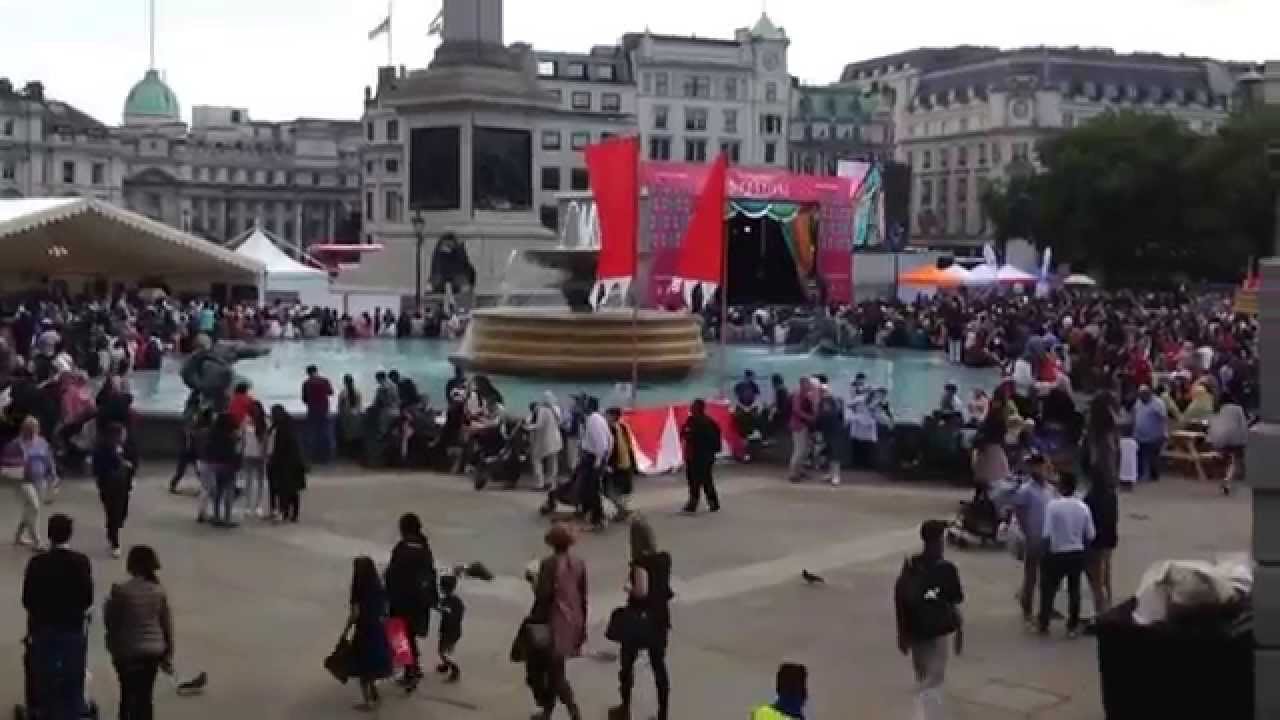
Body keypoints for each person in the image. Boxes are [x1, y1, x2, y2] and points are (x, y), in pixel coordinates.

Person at [22, 513, 93, 720]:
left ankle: (42, 708)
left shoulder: (37, 562)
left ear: (49, 535)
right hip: (72, 627)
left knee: (41, 672)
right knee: (73, 672)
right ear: (69, 535)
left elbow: (27, 598)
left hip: (44, 628)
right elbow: (87, 597)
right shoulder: (80, 562)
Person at [894, 520, 963, 720]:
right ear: (937, 541)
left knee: (923, 676)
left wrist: (902, 633)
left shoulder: (911, 566)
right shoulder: (946, 569)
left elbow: (900, 599)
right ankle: (924, 714)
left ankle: (924, 712)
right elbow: (956, 598)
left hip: (916, 632)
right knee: (934, 680)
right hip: (938, 632)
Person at [609, 516, 672, 720]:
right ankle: (663, 712)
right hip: (660, 619)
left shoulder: (640, 563)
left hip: (639, 620)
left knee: (627, 665)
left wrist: (629, 587)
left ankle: (624, 707)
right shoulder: (664, 559)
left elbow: (642, 591)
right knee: (659, 666)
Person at [104, 545, 174, 720]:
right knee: (145, 697)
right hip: (152, 652)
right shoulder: (159, 591)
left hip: (127, 652)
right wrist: (167, 655)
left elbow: (112, 623)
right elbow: (166, 625)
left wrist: (112, 648)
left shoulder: (120, 591)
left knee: (127, 695)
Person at [993, 452, 1056, 628]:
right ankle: (1027, 607)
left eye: (1042, 466)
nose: (1041, 469)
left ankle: (1045, 608)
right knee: (1031, 575)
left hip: (1048, 537)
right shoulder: (1026, 490)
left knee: (1047, 576)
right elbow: (1018, 512)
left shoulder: (1050, 490)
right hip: (1034, 536)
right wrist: (1026, 531)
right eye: (1036, 466)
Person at [531, 523, 587, 720]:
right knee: (555, 668)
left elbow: (543, 595)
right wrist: (582, 628)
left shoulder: (549, 564)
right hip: (573, 620)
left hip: (553, 622)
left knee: (552, 672)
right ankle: (548, 712)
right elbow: (583, 596)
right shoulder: (579, 563)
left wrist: (533, 580)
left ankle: (573, 711)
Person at [384, 512, 437, 692]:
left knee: (400, 636)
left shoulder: (402, 548)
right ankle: (413, 667)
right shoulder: (424, 547)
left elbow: (392, 574)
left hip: (401, 600)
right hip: (419, 602)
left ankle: (410, 671)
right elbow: (430, 574)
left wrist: (387, 594)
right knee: (411, 634)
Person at [1039, 472, 1095, 638]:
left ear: (1061, 487)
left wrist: (1044, 555)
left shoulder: (1052, 506)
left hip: (1057, 552)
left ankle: (1044, 622)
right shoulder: (1082, 507)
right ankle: (1072, 625)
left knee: (1048, 589)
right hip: (1076, 553)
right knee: (1074, 590)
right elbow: (1090, 534)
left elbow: (1046, 534)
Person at [345, 556, 393, 711]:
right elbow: (386, 609)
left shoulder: (357, 589)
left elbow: (354, 614)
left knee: (363, 668)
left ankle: (368, 702)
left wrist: (346, 631)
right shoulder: (378, 587)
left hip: (364, 631)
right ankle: (375, 694)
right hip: (378, 630)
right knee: (373, 665)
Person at [4, 416, 56, 550]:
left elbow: (49, 460)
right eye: (29, 429)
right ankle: (37, 541)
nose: (32, 432)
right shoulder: (15, 445)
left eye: (35, 428)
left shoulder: (42, 443)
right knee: (34, 507)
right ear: (24, 429)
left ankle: (18, 536)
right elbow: (6, 463)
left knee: (29, 509)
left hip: (39, 480)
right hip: (21, 481)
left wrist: (53, 477)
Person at [92, 423, 135, 556]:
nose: (124, 436)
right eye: (122, 434)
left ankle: (113, 529)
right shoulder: (102, 449)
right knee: (113, 513)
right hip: (108, 485)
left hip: (123, 485)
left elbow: (134, 461)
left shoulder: (126, 448)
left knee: (122, 513)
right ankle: (114, 541)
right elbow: (97, 468)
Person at [1083, 477, 1118, 623]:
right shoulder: (1112, 495)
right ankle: (1109, 603)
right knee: (1106, 574)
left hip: (1096, 541)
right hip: (1109, 540)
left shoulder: (1089, 498)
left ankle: (1101, 611)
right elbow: (1115, 517)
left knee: (1096, 579)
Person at [267, 404, 307, 523]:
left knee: (283, 489)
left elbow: (279, 447)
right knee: (292, 490)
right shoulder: (290, 426)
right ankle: (293, 514)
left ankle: (284, 512)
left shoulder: (280, 429)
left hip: (284, 463)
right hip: (293, 462)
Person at [681, 398, 722, 514]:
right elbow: (683, 432)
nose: (691, 409)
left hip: (703, 456)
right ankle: (693, 502)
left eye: (693, 407)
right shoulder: (691, 420)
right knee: (693, 480)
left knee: (705, 480)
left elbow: (713, 440)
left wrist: (710, 452)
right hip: (692, 455)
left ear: (698, 409)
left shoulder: (707, 423)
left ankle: (713, 503)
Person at [577, 397, 612, 530]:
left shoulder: (593, 420)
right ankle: (592, 516)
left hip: (593, 458)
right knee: (589, 488)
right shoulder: (598, 419)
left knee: (592, 490)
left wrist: (598, 461)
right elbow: (610, 439)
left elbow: (602, 443)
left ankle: (597, 520)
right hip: (594, 457)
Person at [202, 413, 241, 528]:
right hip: (228, 466)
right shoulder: (232, 436)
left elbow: (207, 450)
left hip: (214, 465)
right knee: (229, 492)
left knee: (217, 493)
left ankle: (216, 516)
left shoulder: (212, 434)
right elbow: (236, 452)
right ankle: (227, 518)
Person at [1208, 392, 1249, 495]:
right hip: (1235, 437)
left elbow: (1212, 423)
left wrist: (1212, 438)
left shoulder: (1217, 409)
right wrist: (1245, 438)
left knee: (1226, 458)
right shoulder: (1237, 408)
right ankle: (1227, 479)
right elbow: (1243, 424)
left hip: (1220, 438)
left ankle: (1220, 460)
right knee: (1235, 460)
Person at [1132, 385, 1168, 482]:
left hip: (1154, 435)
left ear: (1149, 394)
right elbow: (1135, 415)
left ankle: (1153, 475)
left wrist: (1164, 433)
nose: (1142, 397)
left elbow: (1163, 419)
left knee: (1152, 456)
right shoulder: (1139, 402)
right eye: (1140, 394)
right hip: (1139, 435)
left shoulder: (1158, 403)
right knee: (1140, 455)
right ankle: (1141, 475)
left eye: (1144, 394)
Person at [240, 402, 269, 519]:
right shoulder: (246, 420)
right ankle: (247, 506)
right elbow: (242, 438)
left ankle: (258, 505)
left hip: (260, 455)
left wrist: (265, 454)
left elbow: (266, 440)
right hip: (248, 454)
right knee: (248, 481)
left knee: (261, 481)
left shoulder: (265, 422)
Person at [529, 394, 564, 492]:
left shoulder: (542, 410)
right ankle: (550, 483)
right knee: (552, 462)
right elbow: (560, 422)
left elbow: (539, 425)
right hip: (556, 439)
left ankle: (539, 483)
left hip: (544, 439)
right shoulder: (557, 408)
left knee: (536, 459)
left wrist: (529, 427)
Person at [300, 364, 334, 464]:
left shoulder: (306, 383)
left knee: (312, 434)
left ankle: (312, 457)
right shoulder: (324, 381)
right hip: (324, 410)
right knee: (324, 433)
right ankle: (325, 457)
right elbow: (330, 392)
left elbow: (304, 399)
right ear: (316, 371)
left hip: (312, 410)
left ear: (308, 373)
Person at [436, 573, 465, 683]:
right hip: (451, 631)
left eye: (441, 587)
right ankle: (446, 665)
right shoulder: (453, 599)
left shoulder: (453, 602)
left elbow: (453, 614)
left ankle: (454, 669)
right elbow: (440, 605)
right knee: (447, 651)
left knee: (442, 652)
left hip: (450, 632)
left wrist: (446, 612)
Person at [787, 377, 817, 482]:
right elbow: (796, 410)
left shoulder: (805, 394)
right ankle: (793, 474)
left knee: (804, 450)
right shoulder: (798, 394)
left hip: (803, 424)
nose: (810, 385)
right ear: (803, 384)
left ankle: (800, 470)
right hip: (798, 425)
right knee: (799, 450)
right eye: (808, 383)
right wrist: (809, 417)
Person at [337, 374, 364, 460]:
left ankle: (349, 454)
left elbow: (340, 406)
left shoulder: (343, 393)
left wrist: (341, 415)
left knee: (347, 436)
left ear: (345, 382)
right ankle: (356, 454)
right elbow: (360, 404)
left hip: (347, 417)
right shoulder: (357, 391)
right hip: (356, 416)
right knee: (356, 435)